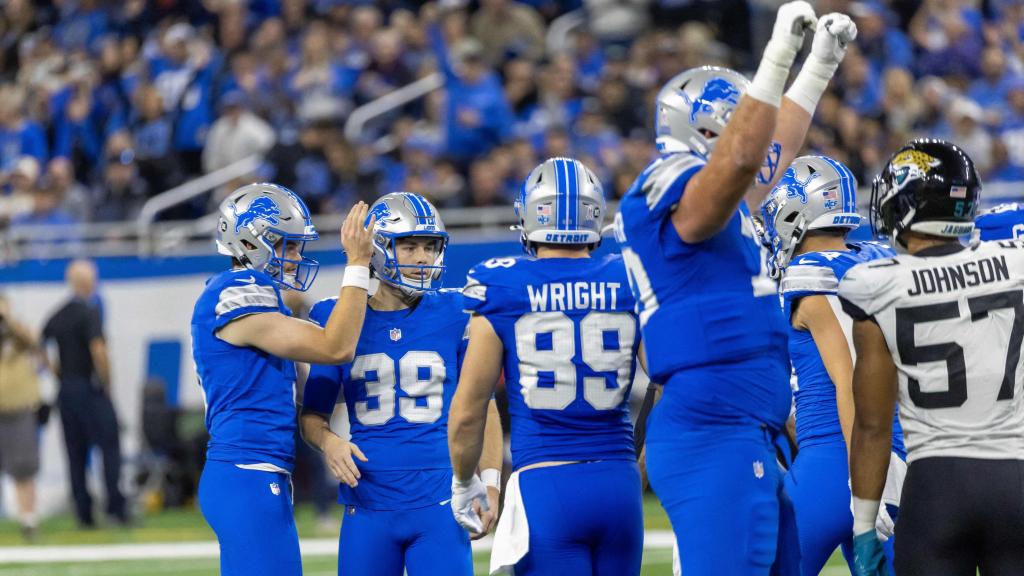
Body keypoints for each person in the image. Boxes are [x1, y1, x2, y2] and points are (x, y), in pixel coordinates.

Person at [615, 4, 857, 572]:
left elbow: (775, 147)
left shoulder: (726, 195)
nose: (754, 132)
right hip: (711, 431)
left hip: (747, 428)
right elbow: (744, 155)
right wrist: (775, 60)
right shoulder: (668, 184)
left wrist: (819, 64)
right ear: (704, 131)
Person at [449, 157, 644, 575]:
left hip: (547, 483)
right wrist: (644, 455)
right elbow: (667, 378)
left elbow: (469, 410)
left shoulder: (502, 284)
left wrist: (467, 480)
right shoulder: (628, 277)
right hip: (619, 482)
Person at [843, 139, 1024, 575]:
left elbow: (871, 424)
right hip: (1017, 481)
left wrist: (864, 523)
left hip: (937, 486)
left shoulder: (875, 283)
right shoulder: (1016, 262)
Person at [300, 191, 503, 576]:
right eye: (409, 246)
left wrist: (491, 483)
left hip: (440, 500)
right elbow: (312, 416)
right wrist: (329, 442)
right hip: (367, 500)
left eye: (429, 246)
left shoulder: (457, 309)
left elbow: (484, 407)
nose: (423, 257)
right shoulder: (337, 318)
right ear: (376, 251)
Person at [191, 182, 375, 576]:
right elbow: (335, 347)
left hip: (256, 471)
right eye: (286, 246)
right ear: (251, 241)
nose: (294, 258)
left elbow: (312, 391)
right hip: (245, 470)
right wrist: (358, 264)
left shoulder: (261, 298)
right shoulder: (238, 290)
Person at [756, 155, 907, 574]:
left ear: (795, 211)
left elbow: (852, 379)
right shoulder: (877, 258)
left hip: (839, 458)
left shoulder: (810, 272)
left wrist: (864, 484)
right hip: (897, 451)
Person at [42, 259, 126, 528]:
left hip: (67, 390)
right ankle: (115, 507)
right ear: (88, 281)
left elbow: (39, 344)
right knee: (109, 446)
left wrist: (57, 372)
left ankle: (84, 514)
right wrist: (107, 382)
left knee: (75, 453)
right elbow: (98, 350)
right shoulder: (90, 312)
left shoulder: (60, 313)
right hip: (90, 388)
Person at [0, 293, 42, 539]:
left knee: (24, 468)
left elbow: (34, 344)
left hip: (18, 409)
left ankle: (28, 519)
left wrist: (9, 322)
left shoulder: (19, 334)